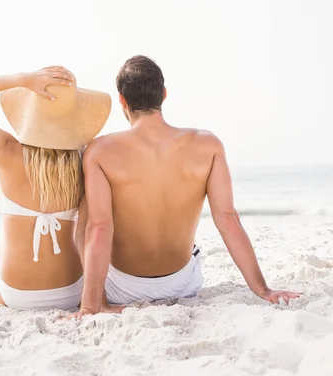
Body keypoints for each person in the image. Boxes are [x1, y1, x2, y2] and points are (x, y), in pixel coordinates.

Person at [73, 55, 300, 317]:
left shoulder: (100, 150)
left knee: (88, 212)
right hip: (181, 285)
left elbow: (99, 228)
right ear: (164, 95)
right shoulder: (207, 144)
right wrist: (263, 289)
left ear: (122, 100)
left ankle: (94, 301)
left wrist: (90, 307)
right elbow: (227, 219)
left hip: (123, 288)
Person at [0, 66, 111, 311]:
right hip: (71, 292)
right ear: (74, 117)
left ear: (31, 112)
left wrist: (23, 79)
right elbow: (87, 234)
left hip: (15, 295)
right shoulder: (85, 163)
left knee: (3, 249)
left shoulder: (6, 151)